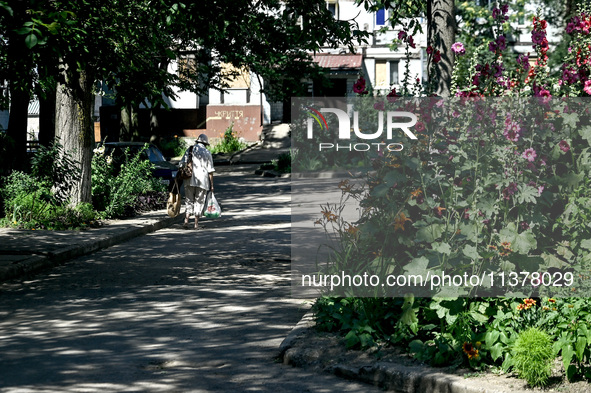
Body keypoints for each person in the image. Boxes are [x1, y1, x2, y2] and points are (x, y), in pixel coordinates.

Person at [178, 134, 215, 229]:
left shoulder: (190, 150)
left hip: (189, 179)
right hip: (202, 181)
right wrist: (212, 185)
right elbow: (210, 170)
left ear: (197, 141)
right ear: (205, 143)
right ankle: (196, 224)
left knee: (189, 200)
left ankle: (186, 222)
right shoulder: (207, 152)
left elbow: (181, 163)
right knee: (199, 201)